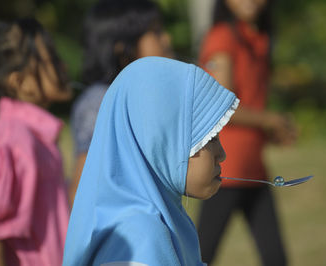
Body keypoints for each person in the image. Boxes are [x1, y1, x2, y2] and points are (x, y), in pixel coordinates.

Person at [63, 56, 239, 266]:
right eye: (210, 138)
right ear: (161, 141)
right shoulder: (139, 239)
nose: (221, 154)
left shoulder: (166, 221)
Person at [196, 0, 297, 265]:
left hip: (254, 170)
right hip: (225, 169)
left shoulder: (257, 37)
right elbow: (221, 103)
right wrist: (270, 120)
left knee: (275, 257)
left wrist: (270, 130)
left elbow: (250, 101)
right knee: (199, 257)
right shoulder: (222, 37)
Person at [0, 18, 71, 266]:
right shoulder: (13, 141)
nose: (63, 66)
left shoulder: (36, 136)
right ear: (19, 82)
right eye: (50, 59)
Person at [69, 0, 172, 205]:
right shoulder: (100, 102)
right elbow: (83, 189)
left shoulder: (139, 96)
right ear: (122, 48)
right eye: (156, 32)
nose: (166, 39)